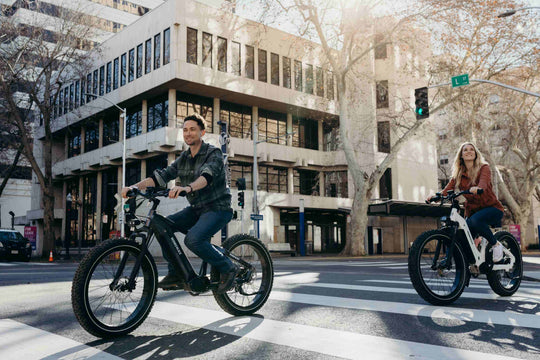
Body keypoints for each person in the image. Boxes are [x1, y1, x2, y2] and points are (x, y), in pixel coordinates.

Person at [121, 113, 237, 293]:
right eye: (185, 130)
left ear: (202, 132)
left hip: (218, 208)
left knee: (193, 240)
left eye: (193, 129)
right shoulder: (184, 158)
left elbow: (206, 176)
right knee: (163, 226)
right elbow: (161, 176)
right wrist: (133, 187)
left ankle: (229, 268)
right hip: (197, 209)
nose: (188, 133)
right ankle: (175, 273)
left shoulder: (212, 153)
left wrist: (187, 188)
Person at [427, 142, 505, 262]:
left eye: (471, 149)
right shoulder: (458, 174)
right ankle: (470, 263)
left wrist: (478, 188)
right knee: (460, 234)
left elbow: (483, 182)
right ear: (461, 155)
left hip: (492, 209)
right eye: (465, 150)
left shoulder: (484, 167)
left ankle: (496, 245)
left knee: (474, 221)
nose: (468, 151)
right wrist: (435, 196)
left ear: (475, 154)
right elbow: (447, 190)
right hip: (473, 212)